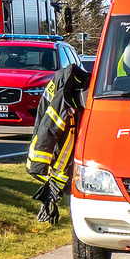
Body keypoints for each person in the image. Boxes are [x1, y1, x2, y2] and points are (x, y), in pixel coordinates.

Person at [26, 62, 92, 222]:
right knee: (60, 175)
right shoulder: (67, 93)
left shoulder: (68, 81)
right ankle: (51, 200)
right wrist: (39, 165)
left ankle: (52, 199)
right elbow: (49, 128)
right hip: (58, 149)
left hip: (60, 146)